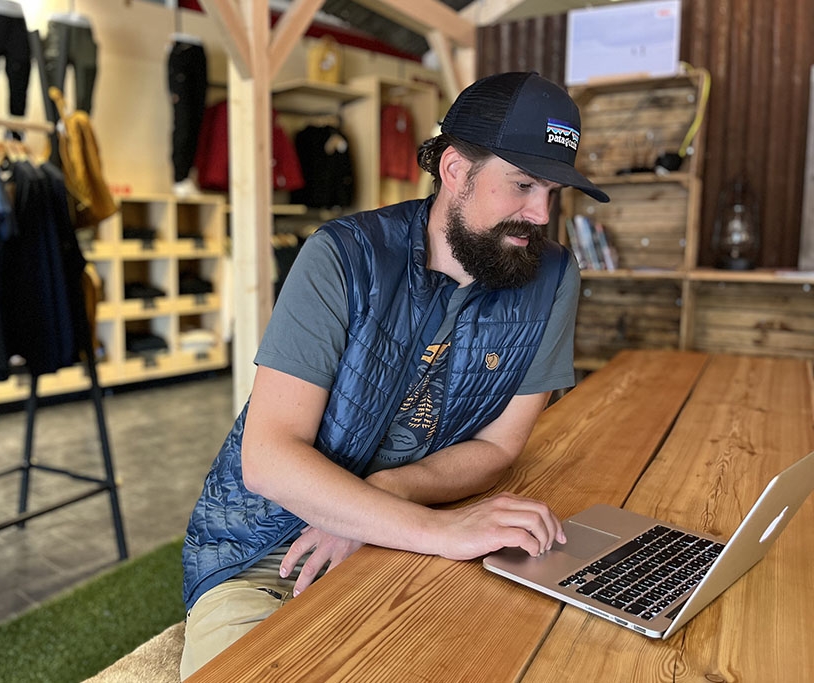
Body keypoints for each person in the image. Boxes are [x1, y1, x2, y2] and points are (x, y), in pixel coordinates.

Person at [179, 71, 610, 679]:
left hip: (407, 538)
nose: (540, 214)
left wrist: (391, 498)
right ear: (455, 169)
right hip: (264, 553)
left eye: (553, 191)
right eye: (523, 185)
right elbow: (269, 459)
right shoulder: (340, 257)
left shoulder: (553, 278)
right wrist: (438, 531)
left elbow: (500, 445)